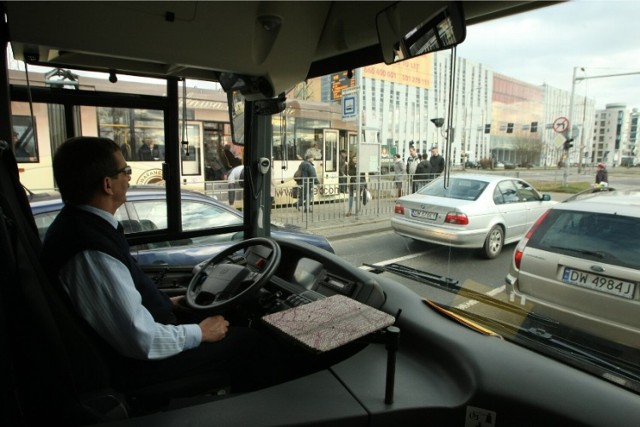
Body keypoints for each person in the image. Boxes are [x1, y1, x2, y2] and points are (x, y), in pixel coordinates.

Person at [40, 136, 281, 395]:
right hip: (136, 368)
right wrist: (200, 333)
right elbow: (140, 339)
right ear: (107, 185)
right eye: (125, 171)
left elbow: (127, 297)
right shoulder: (90, 250)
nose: (129, 179)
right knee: (251, 341)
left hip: (133, 349)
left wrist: (169, 303)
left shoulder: (84, 227)